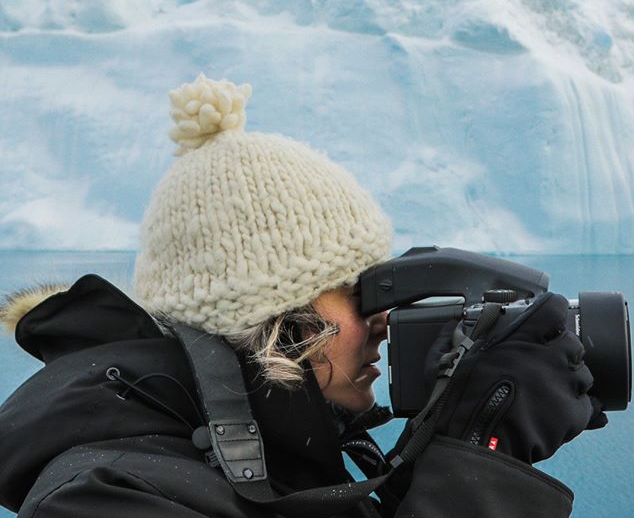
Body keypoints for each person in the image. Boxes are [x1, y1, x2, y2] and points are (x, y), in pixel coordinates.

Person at [0, 75, 603, 517]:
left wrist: (465, 441)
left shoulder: (272, 467)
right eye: (358, 292)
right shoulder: (102, 498)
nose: (385, 319)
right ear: (268, 316)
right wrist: (475, 464)